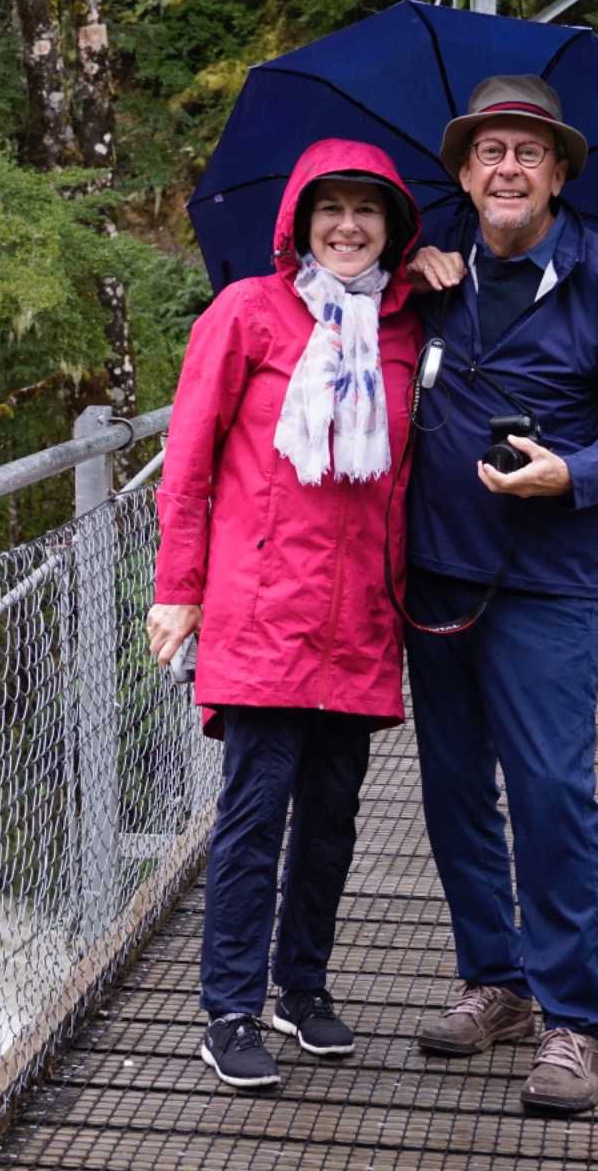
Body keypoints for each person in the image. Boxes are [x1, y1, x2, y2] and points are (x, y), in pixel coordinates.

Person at [399, 75, 598, 1114]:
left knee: (550, 791)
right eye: (490, 152)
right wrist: (398, 276)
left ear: (559, 173)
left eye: (528, 151)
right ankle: (497, 983)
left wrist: (573, 473)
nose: (508, 168)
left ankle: (577, 1022)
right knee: (451, 789)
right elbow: (323, 307)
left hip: (548, 580)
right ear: (464, 173)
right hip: (436, 572)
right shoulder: (429, 273)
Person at [146, 138, 422, 1090]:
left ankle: (301, 987)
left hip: (360, 617)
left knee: (333, 819)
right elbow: (187, 461)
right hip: (264, 609)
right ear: (300, 222)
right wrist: (178, 586)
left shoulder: (406, 324)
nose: (348, 226)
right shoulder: (247, 312)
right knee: (254, 814)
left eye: (368, 210)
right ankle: (229, 1007)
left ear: (394, 226)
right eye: (329, 209)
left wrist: (445, 275)